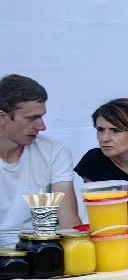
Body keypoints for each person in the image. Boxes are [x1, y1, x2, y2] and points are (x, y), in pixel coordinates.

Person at [0, 74, 79, 241]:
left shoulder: (54, 151)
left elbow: (69, 226)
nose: (42, 126)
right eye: (32, 118)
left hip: (39, 251)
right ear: (2, 118)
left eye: (42, 116)